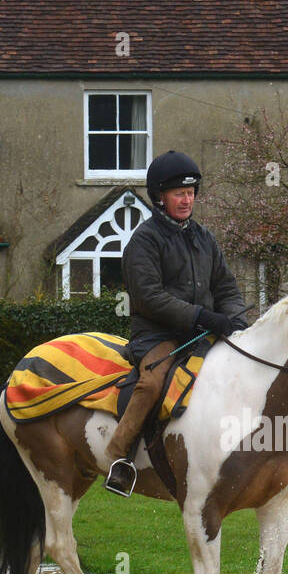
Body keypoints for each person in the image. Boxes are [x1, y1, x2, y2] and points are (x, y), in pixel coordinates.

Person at [104, 150, 248, 495]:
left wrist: (237, 322)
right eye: (178, 194)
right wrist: (200, 316)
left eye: (191, 193)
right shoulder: (143, 241)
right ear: (160, 197)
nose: (187, 200)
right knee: (153, 385)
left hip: (204, 332)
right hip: (157, 335)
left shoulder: (205, 238)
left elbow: (226, 287)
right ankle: (119, 457)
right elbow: (149, 297)